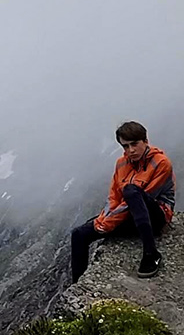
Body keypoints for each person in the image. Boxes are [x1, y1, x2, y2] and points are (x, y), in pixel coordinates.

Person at [66, 121, 175, 283]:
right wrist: (103, 220)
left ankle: (151, 254)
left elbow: (145, 196)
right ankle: (77, 286)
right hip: (131, 215)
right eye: (125, 146)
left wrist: (109, 223)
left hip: (156, 215)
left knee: (131, 191)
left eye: (134, 144)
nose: (130, 150)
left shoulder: (161, 163)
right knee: (79, 234)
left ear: (145, 141)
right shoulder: (121, 164)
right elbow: (114, 198)